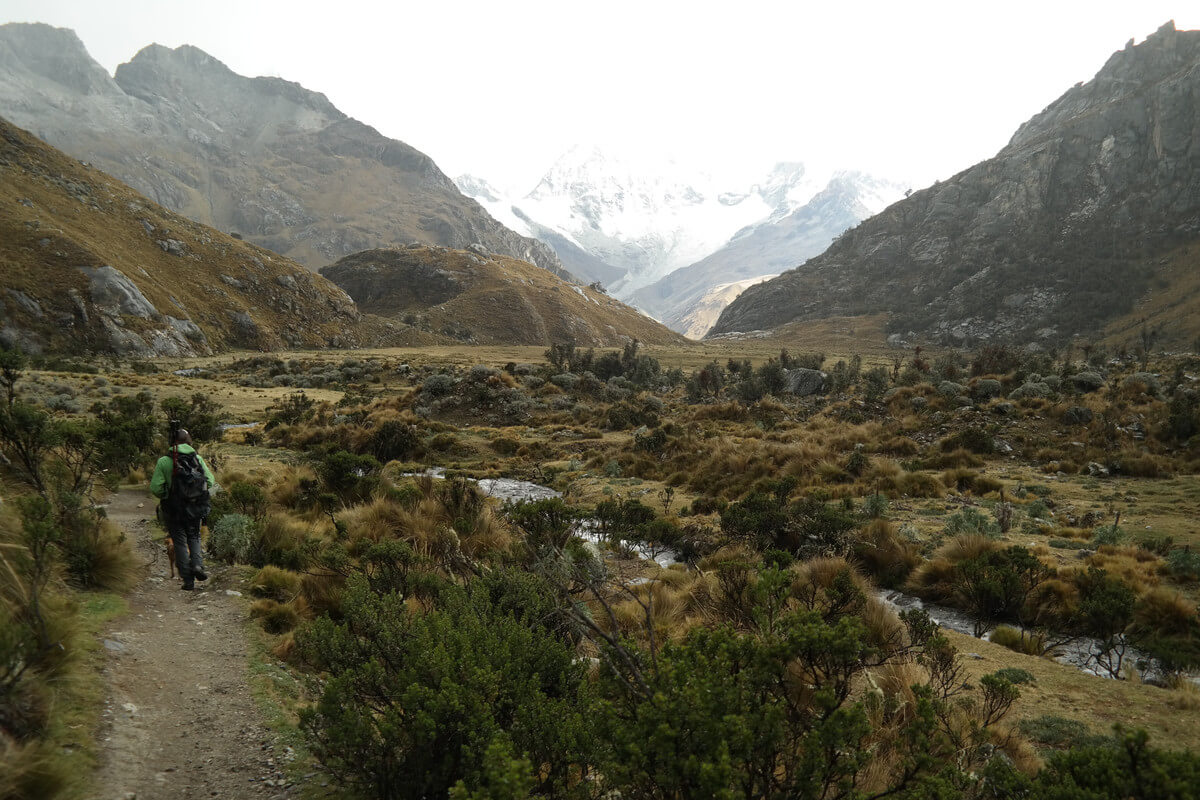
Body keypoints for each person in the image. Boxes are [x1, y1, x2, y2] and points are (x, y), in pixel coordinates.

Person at [150, 428, 216, 590]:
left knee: (179, 541)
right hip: (195, 508)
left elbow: (156, 488)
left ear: (172, 442)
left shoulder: (164, 461)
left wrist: (168, 494)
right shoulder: (197, 459)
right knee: (194, 537)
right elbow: (210, 481)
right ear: (188, 442)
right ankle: (198, 566)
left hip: (173, 510)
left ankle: (187, 580)